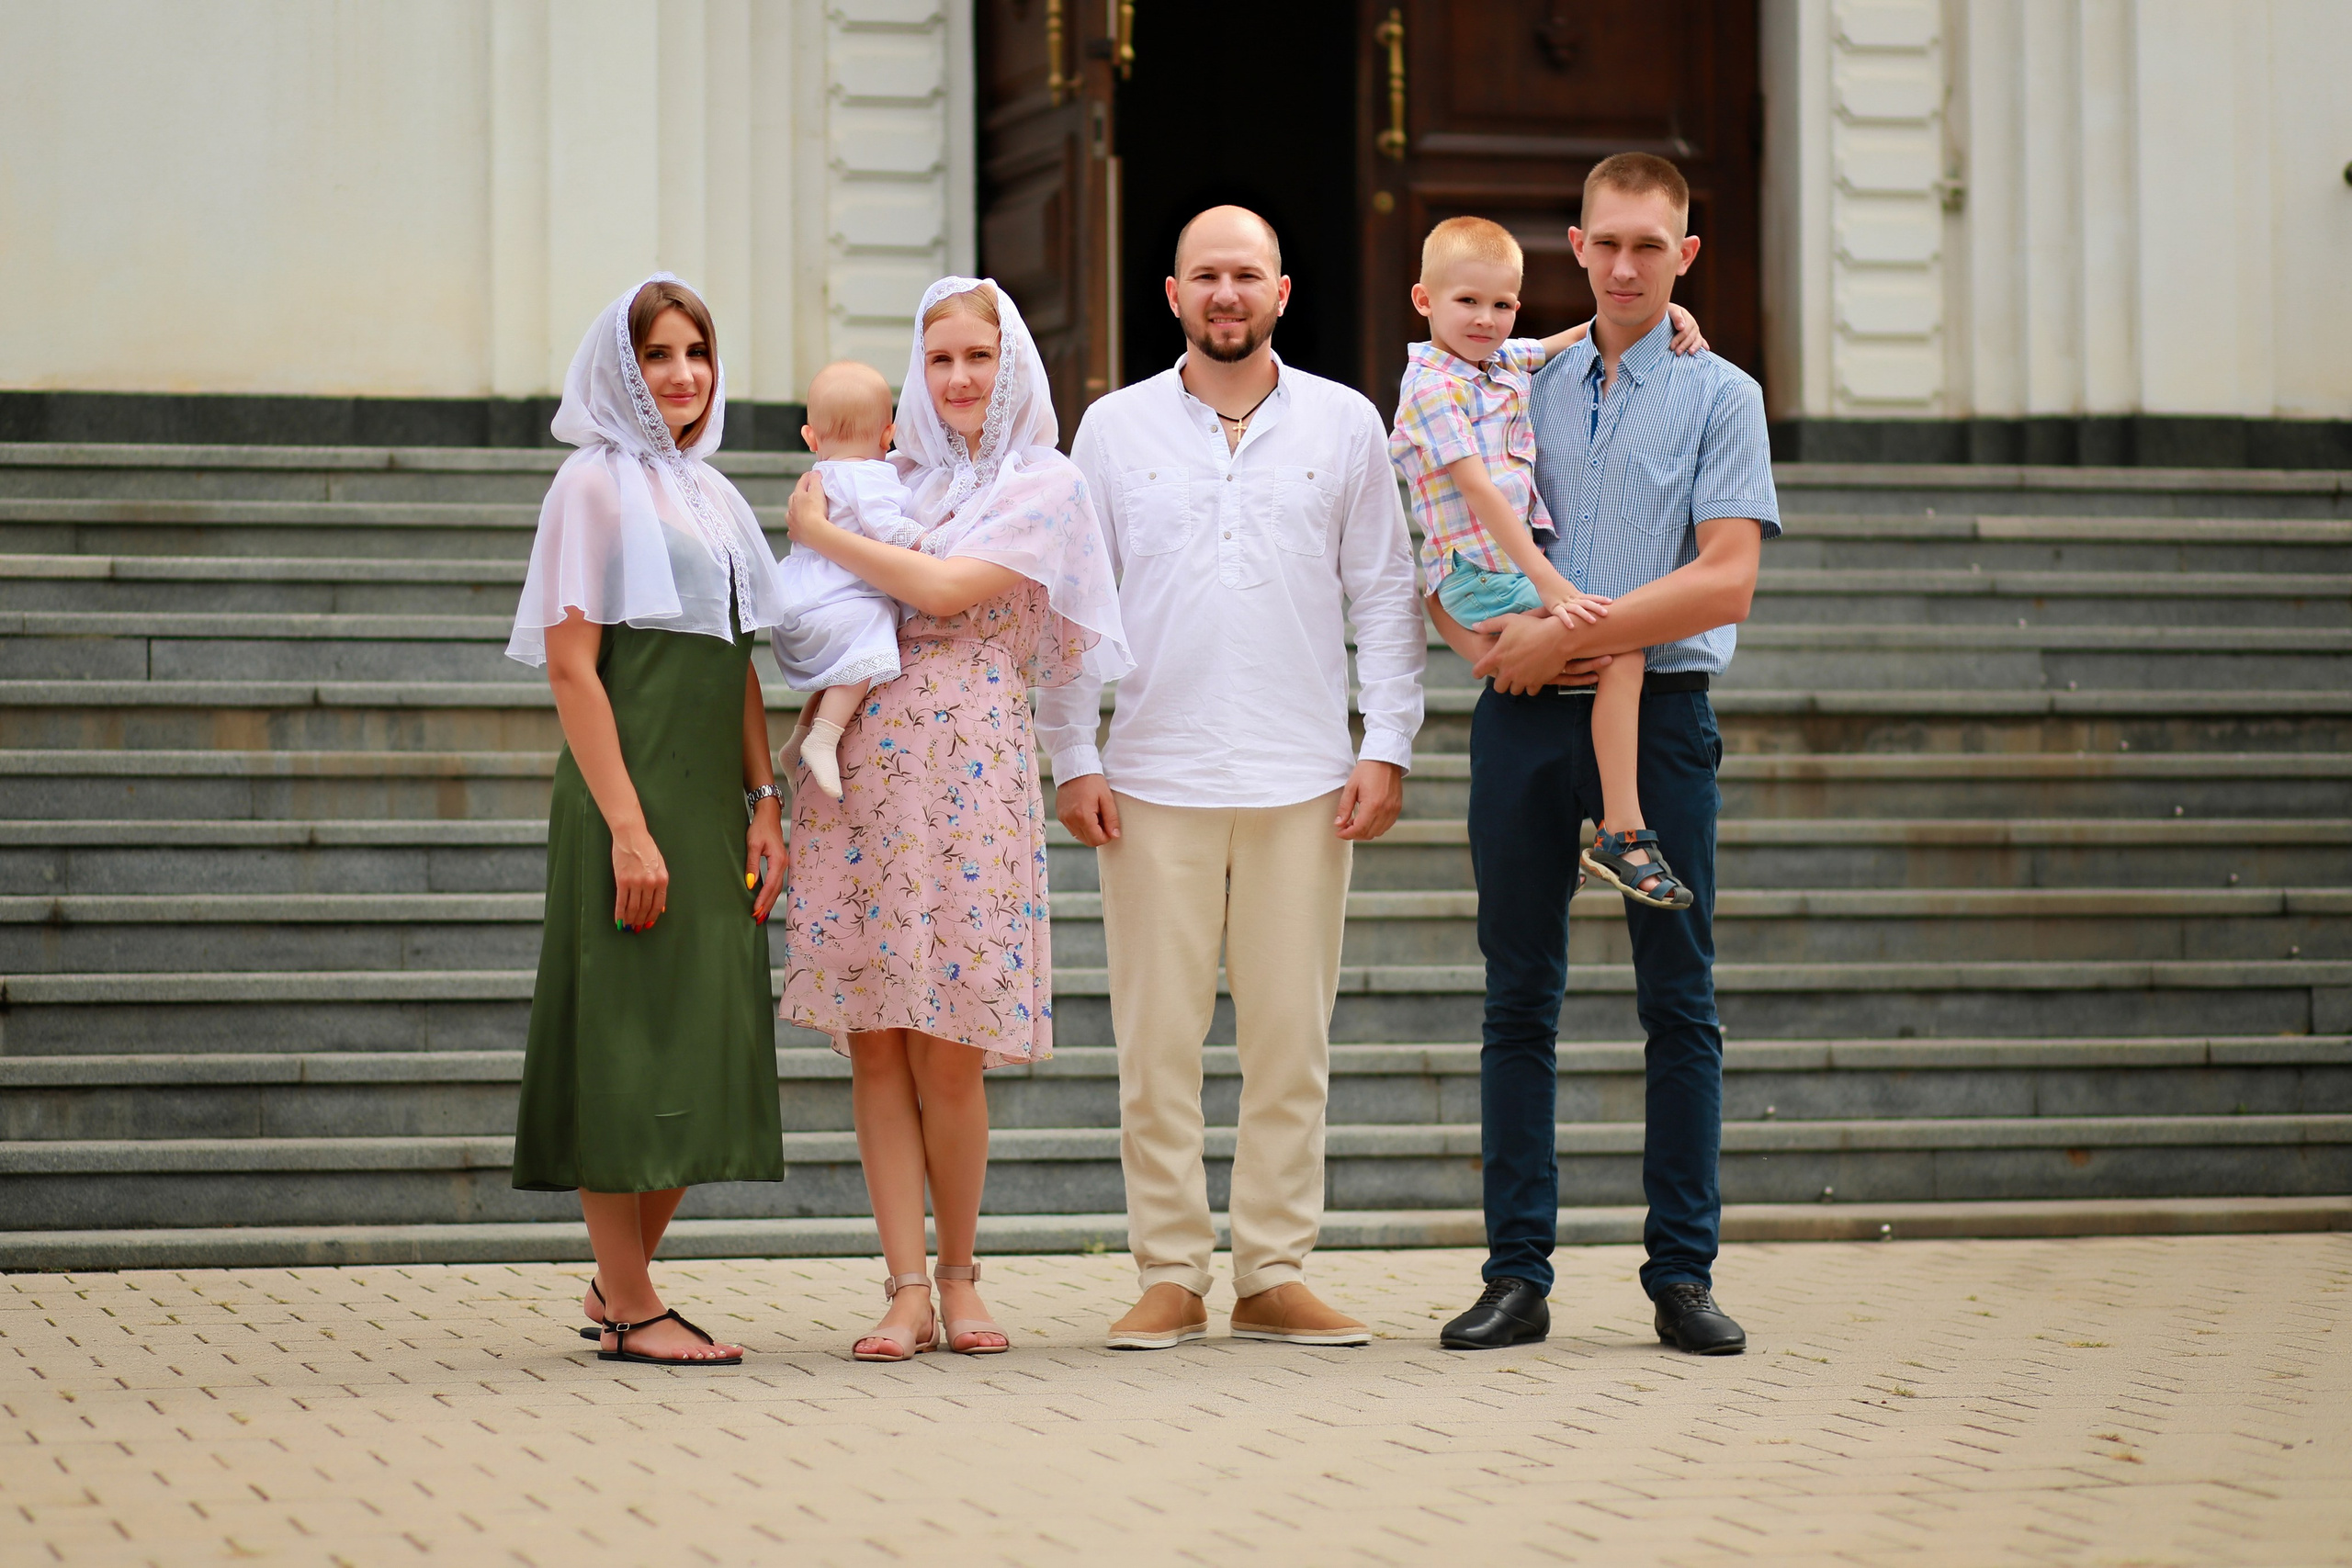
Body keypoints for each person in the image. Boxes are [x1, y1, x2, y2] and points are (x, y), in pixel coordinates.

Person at [1042, 206, 1428, 1350]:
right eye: (1205, 276)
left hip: (1303, 774)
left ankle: (1271, 1270)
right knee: (1155, 1043)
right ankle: (1168, 1269)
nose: (1225, 294)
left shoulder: (1347, 424)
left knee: (1288, 1042)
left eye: (1245, 275)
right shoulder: (1110, 431)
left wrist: (1386, 741)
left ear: (1281, 291)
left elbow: (1386, 594)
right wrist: (1074, 752)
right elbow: (1072, 603)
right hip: (1151, 776)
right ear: (1171, 294)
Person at [1429, 155, 1779, 1356]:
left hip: (1662, 718)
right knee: (1516, 999)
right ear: (1576, 247)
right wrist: (1484, 643)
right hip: (1521, 719)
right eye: (1608, 244)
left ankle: (1683, 1272)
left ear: (1687, 254)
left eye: (1652, 247)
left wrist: (1562, 633)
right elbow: (1436, 511)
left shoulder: (1723, 394)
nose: (1628, 266)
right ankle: (1515, 1274)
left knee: (1679, 1003)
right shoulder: (1515, 374)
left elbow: (1728, 574)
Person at [778, 278, 1129, 1361]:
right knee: (877, 1042)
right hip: (857, 767)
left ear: (1012, 363)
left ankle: (963, 1275)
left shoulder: (1045, 482)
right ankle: (901, 1288)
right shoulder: (887, 475)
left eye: (979, 356)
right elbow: (826, 608)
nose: (961, 378)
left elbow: (940, 594)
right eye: (940, 361)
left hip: (972, 758)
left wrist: (816, 529)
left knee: (952, 1047)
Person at [505, 275, 798, 1368]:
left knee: (708, 1033)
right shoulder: (588, 488)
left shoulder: (713, 496)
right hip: (625, 794)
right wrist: (628, 828)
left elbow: (736, 667)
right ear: (620, 371)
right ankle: (631, 1305)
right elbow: (575, 674)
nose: (682, 375)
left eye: (696, 353)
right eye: (657, 356)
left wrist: (765, 804)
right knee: (623, 1034)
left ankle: (613, 1280)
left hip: (710, 802)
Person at [1393, 216, 1707, 910]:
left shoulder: (1498, 363)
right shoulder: (1432, 386)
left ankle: (1600, 831)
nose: (1487, 319)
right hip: (1481, 571)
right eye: (1468, 302)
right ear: (1425, 301)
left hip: (1501, 569)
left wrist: (1667, 313)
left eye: (1503, 305)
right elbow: (1477, 488)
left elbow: (1569, 339)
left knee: (1604, 652)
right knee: (1618, 642)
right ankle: (1622, 832)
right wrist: (1548, 579)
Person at [772, 360, 925, 799]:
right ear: (887, 435)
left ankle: (800, 736)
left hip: (804, 606)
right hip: (841, 605)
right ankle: (824, 736)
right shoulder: (870, 476)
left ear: (810, 437)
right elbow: (887, 526)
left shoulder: (818, 476)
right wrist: (929, 541)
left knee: (843, 667)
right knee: (876, 625)